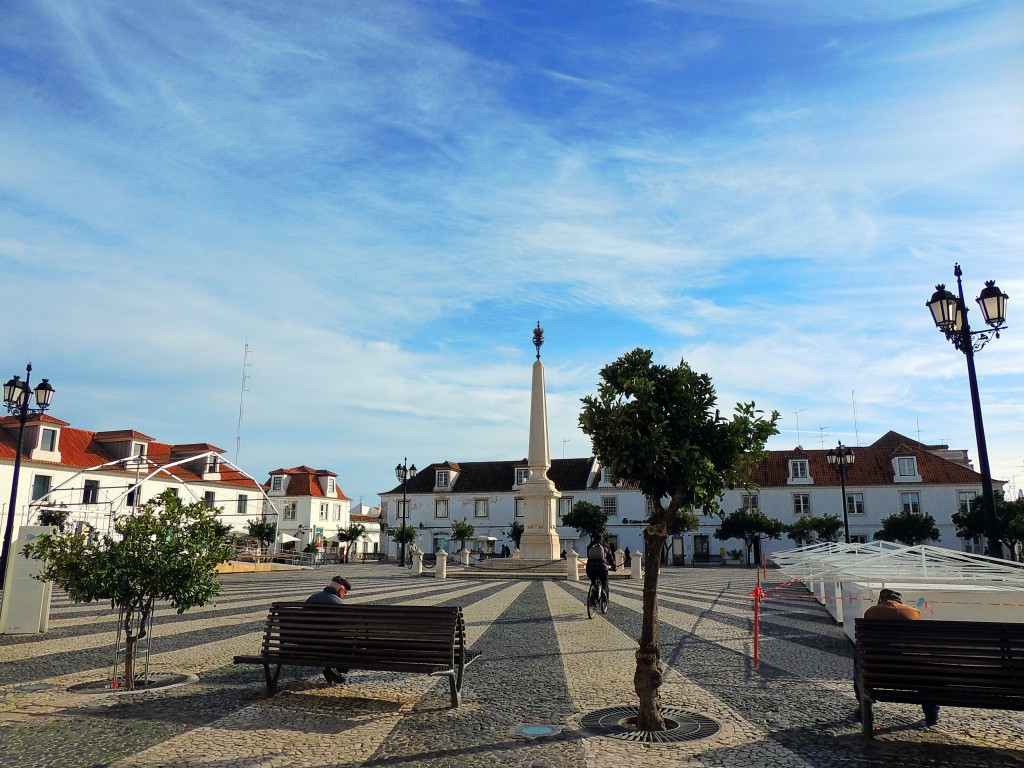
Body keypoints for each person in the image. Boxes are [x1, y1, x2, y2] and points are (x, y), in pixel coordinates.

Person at [854, 588, 939, 725]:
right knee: (928, 674)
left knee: (858, 654)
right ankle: (931, 713)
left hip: (876, 670)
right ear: (899, 600)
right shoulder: (914, 612)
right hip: (912, 670)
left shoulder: (872, 612)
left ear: (881, 600)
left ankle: (865, 709)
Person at [306, 576, 351, 684]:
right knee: (348, 644)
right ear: (341, 589)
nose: (344, 595)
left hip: (307, 642)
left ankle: (331, 668)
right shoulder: (338, 603)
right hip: (331, 644)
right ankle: (334, 668)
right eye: (345, 592)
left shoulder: (311, 599)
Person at [585, 535, 616, 601]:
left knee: (594, 581)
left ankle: (594, 592)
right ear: (602, 539)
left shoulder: (590, 546)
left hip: (590, 568)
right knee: (604, 581)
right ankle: (604, 593)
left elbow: (588, 556)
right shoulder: (606, 547)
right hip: (602, 568)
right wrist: (614, 567)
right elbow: (610, 559)